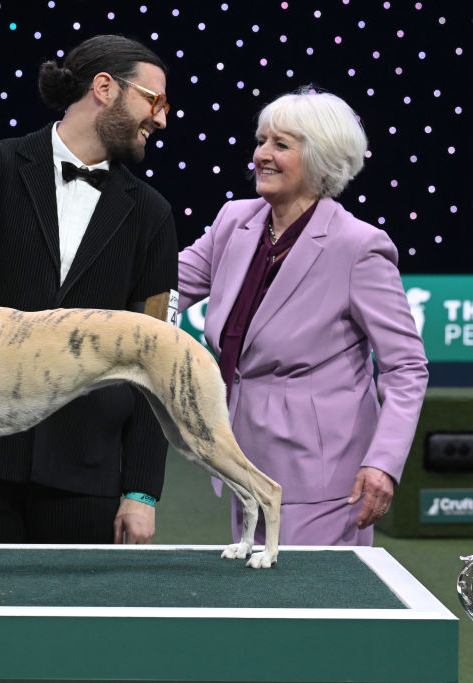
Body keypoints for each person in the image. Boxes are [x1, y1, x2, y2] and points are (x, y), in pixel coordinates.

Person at [0, 34, 178, 545]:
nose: (161, 119)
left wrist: (142, 490)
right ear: (105, 89)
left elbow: (158, 355)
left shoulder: (153, 215)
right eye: (155, 101)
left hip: (89, 474)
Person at [177, 87, 428, 545]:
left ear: (322, 160)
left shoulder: (358, 246)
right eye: (261, 141)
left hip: (324, 479)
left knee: (307, 610)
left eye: (281, 145)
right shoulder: (235, 220)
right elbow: (165, 288)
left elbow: (405, 366)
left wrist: (383, 462)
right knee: (254, 608)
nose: (261, 156)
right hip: (243, 462)